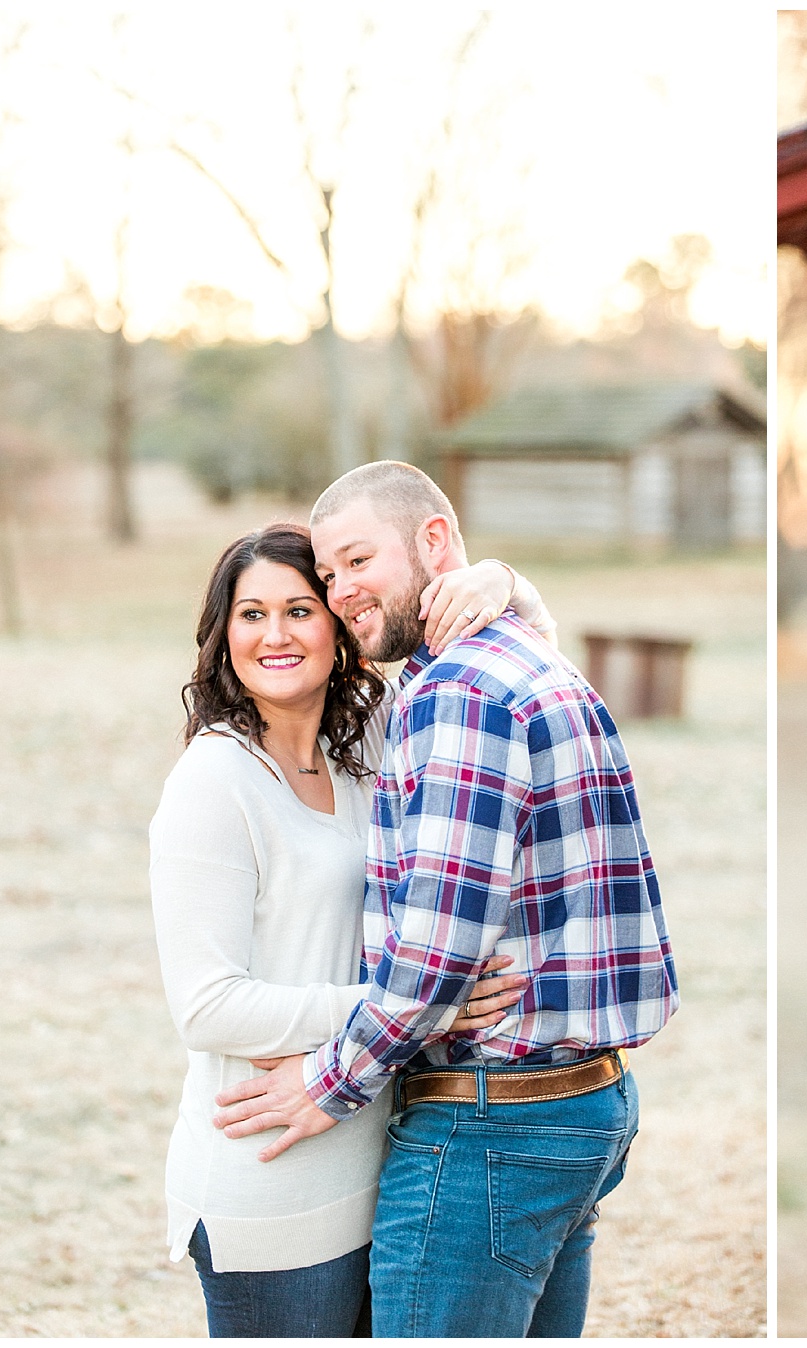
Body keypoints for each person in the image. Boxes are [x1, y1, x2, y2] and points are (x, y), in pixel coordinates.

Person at [208, 461, 678, 1338]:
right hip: (584, 1105)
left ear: (433, 541)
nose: (342, 591)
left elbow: (436, 954)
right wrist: (510, 587)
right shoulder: (519, 657)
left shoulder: (458, 693)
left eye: (358, 561)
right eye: (329, 574)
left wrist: (326, 1084)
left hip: (491, 1124)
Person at [150, 523, 557, 1336]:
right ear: (223, 633)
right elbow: (207, 1007)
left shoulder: (372, 734)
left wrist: (505, 582)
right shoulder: (214, 781)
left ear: (339, 623)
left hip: (383, 1163)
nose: (275, 634)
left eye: (300, 610)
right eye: (252, 614)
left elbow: (526, 674)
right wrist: (420, 1007)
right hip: (273, 1180)